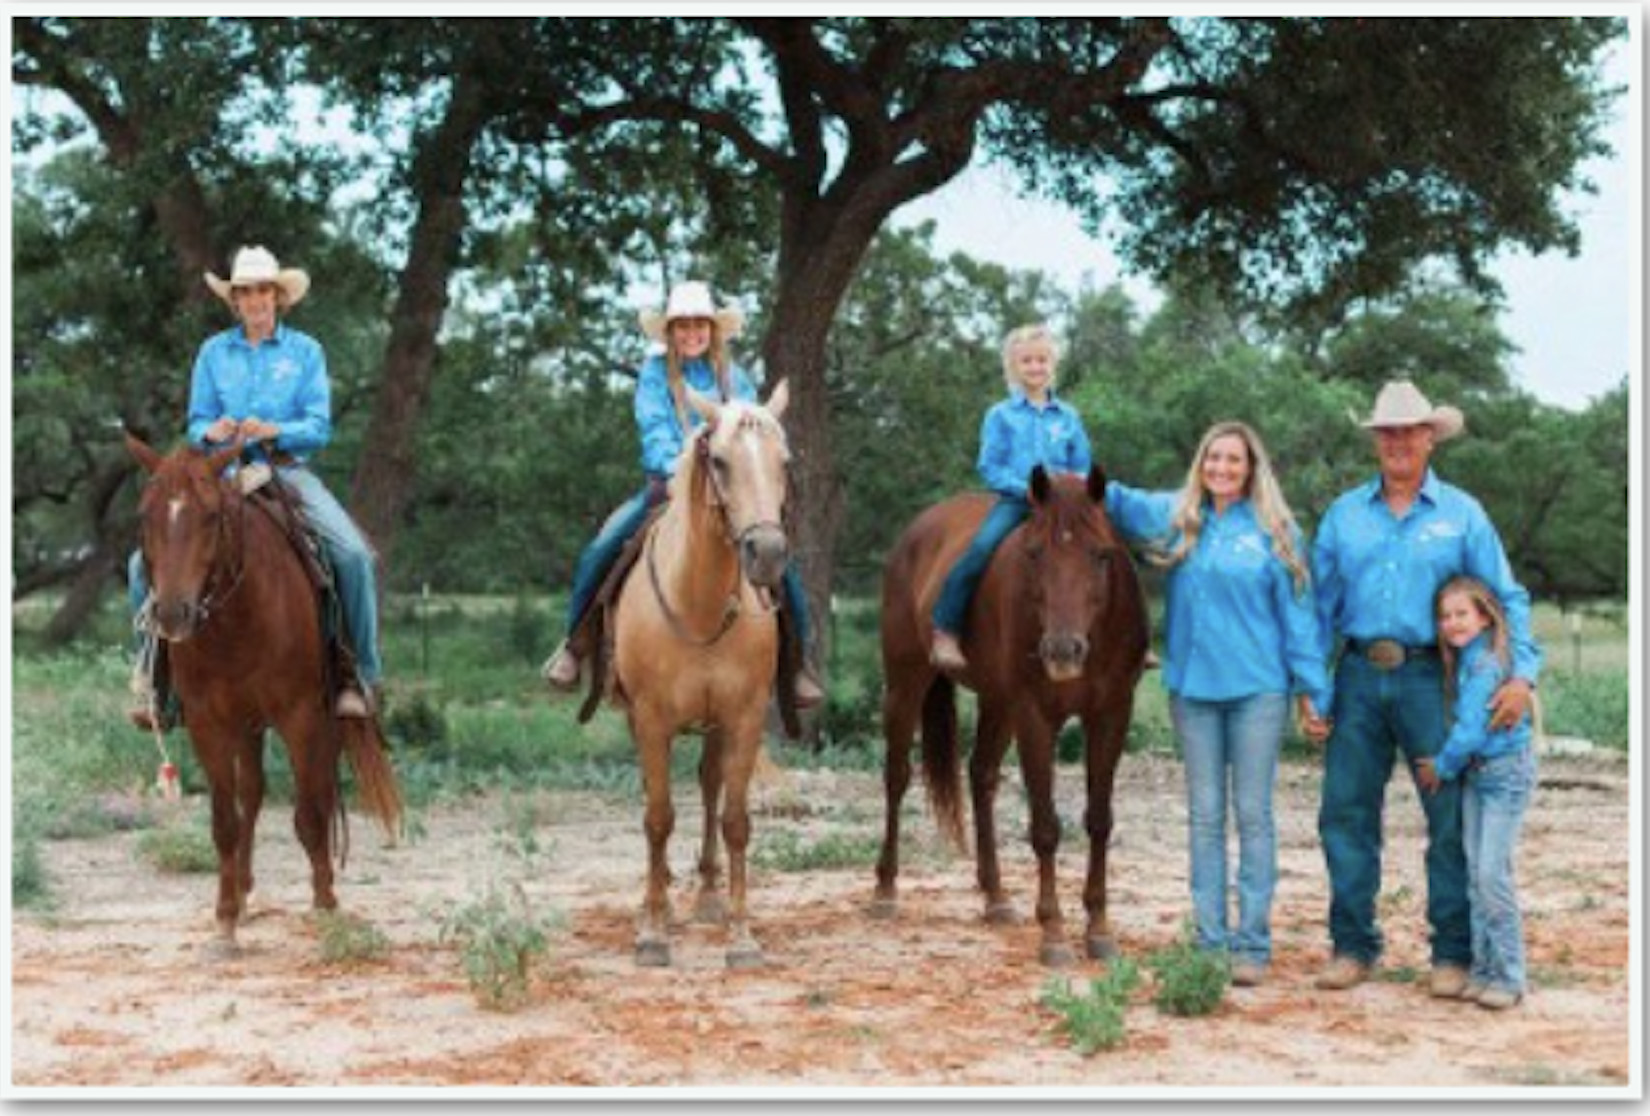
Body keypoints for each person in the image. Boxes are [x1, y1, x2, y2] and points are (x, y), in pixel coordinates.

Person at [1309, 379, 1542, 996]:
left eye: (1410, 430)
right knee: (1346, 812)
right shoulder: (1343, 515)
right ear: (1375, 441)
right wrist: (1314, 687)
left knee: (1447, 816)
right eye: (1387, 431)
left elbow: (1506, 597)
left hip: (1432, 680)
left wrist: (1522, 674)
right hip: (1357, 674)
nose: (1398, 442)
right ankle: (1353, 945)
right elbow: (1318, 609)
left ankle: (1453, 953)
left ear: (1430, 438)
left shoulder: (1463, 515)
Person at [1104, 422, 1330, 987]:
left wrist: (1312, 692)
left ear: (1251, 468)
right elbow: (1113, 496)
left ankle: (1251, 942)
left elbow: (1300, 618)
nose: (1222, 468)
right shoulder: (1176, 517)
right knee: (1205, 818)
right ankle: (1210, 941)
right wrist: (1059, 446)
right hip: (1193, 693)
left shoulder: (1276, 531)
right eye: (1213, 458)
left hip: (1259, 691)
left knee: (1253, 816)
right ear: (1201, 463)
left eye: (1233, 460)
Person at [128, 245, 383, 724]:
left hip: (284, 470)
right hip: (220, 475)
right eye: (245, 292)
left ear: (278, 297)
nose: (255, 300)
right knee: (143, 562)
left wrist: (274, 430)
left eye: (263, 290)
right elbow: (197, 420)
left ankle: (361, 676)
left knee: (353, 555)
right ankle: (155, 682)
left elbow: (318, 426)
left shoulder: (305, 352)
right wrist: (212, 431)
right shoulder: (213, 352)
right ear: (235, 300)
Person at [541, 280, 822, 707]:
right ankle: (575, 645)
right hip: (668, 485)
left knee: (781, 562)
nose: (692, 334)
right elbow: (654, 430)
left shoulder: (735, 378)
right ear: (670, 332)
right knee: (605, 545)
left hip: (729, 491)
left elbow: (752, 430)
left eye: (700, 325)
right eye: (682, 326)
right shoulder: (655, 376)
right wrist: (680, 467)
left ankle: (799, 662)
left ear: (713, 330)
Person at [929, 324, 1091, 672]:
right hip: (1019, 502)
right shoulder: (1000, 415)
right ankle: (946, 629)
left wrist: (1073, 489)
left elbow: (1082, 464)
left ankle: (1134, 641)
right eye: (1027, 361)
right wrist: (1026, 489)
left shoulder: (1068, 416)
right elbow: (990, 466)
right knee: (979, 549)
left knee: (1113, 543)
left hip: (1066, 508)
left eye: (1042, 360)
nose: (1035, 367)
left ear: (1053, 364)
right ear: (1013, 368)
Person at [1414, 577, 1538, 1010]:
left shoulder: (1486, 663)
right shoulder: (1468, 657)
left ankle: (1509, 975)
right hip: (1476, 776)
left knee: (1491, 876)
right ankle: (1483, 969)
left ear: (1484, 616)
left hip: (1503, 774)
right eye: (1445, 617)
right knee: (1473, 876)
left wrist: (1441, 766)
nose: (1452, 623)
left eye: (1462, 614)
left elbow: (1470, 729)